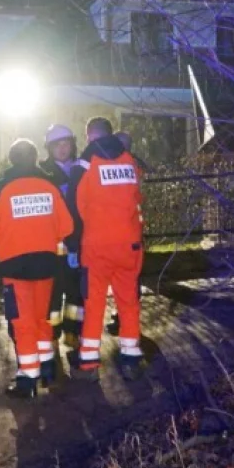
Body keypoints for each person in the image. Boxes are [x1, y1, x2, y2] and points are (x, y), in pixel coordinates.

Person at [0, 139, 73, 397]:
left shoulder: (0, 190)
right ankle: (47, 367)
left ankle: (27, 379)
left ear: (11, 160)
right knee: (41, 317)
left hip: (14, 267)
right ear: (35, 158)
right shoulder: (50, 186)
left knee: (22, 323)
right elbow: (66, 227)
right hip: (46, 263)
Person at [65, 117, 146, 381]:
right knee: (128, 301)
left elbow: (75, 207)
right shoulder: (129, 161)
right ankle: (131, 356)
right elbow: (136, 197)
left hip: (96, 246)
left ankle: (89, 361)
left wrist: (73, 243)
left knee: (94, 302)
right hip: (129, 245)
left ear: (88, 135)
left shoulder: (85, 163)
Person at [39, 124, 85, 347]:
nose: (63, 148)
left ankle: (72, 332)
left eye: (66, 143)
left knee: (76, 292)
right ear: (49, 148)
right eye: (57, 145)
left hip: (78, 241)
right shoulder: (43, 173)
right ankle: (52, 332)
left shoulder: (80, 168)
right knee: (53, 292)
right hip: (54, 244)